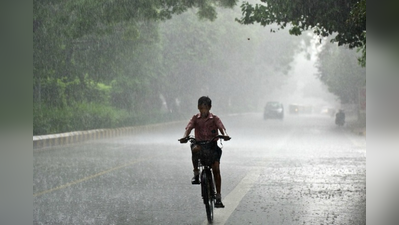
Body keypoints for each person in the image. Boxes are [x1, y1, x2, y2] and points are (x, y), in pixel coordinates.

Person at [179, 96, 230, 208]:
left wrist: (225, 135)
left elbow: (222, 128)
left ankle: (218, 197)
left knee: (216, 169)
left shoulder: (215, 118)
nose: (203, 110)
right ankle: (196, 173)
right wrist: (184, 137)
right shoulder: (195, 118)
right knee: (194, 149)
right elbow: (188, 128)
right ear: (198, 107)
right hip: (200, 146)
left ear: (210, 107)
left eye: (205, 108)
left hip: (212, 146)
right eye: (201, 108)